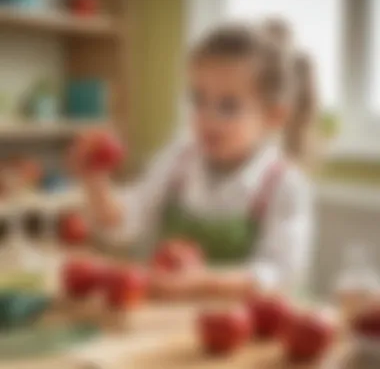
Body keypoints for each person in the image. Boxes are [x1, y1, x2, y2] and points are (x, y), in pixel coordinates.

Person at [69, 19, 317, 299]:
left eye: (228, 106)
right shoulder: (178, 159)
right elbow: (126, 222)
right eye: (198, 99)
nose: (207, 118)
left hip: (242, 329)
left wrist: (202, 282)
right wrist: (95, 180)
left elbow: (278, 273)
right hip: (169, 319)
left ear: (274, 116)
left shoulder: (285, 185)